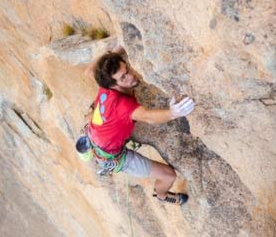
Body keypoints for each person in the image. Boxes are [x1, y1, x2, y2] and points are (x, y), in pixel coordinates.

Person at [82, 47, 195, 205]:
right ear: (112, 86)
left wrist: (115, 51)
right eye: (123, 78)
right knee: (168, 175)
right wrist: (173, 113)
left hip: (96, 134)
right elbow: (148, 117)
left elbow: (88, 71)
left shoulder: (104, 84)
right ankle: (162, 195)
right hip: (113, 156)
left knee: (97, 112)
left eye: (127, 69)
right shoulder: (123, 106)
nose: (131, 76)